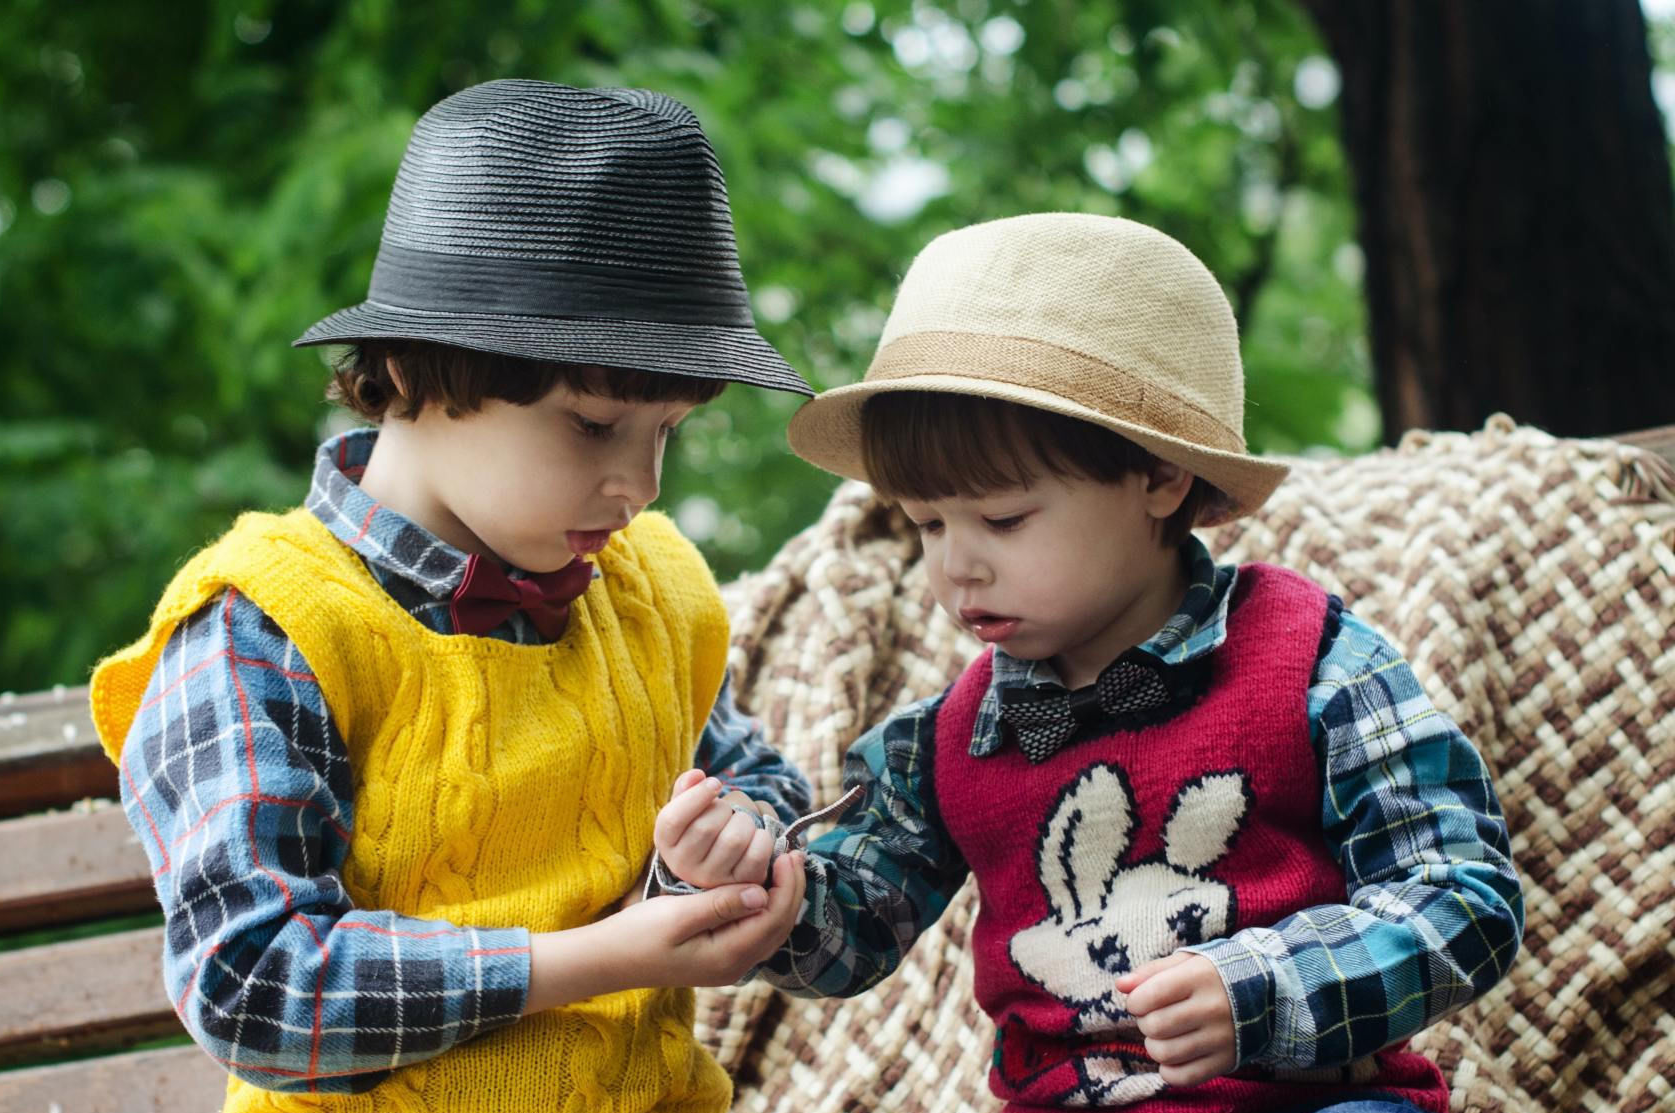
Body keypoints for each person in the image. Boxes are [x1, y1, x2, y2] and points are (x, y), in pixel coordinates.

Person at [654, 213, 1523, 1112]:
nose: (957, 565)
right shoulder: (949, 739)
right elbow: (850, 930)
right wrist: (753, 880)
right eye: (926, 523)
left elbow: (1463, 898)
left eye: (1002, 519)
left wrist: (1259, 988)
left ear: (1159, 478)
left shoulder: (1313, 659)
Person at [87, 78, 814, 1112]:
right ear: (414, 369)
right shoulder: (265, 629)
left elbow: (765, 796)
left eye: (668, 432)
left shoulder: (651, 590)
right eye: (594, 425)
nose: (641, 486)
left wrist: (731, 849)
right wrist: (592, 960)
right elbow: (252, 988)